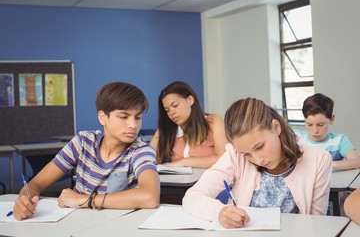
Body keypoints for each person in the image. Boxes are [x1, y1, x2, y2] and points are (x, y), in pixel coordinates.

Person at [13, 82, 160, 221]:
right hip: (78, 224)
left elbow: (150, 196)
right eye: (123, 116)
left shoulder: (141, 150)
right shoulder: (83, 142)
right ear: (102, 117)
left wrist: (85, 199)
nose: (133, 125)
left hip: (117, 228)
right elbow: (36, 184)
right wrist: (23, 201)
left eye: (138, 117)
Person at [183, 97, 332, 229]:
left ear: (276, 127)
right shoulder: (235, 155)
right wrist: (219, 212)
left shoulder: (319, 160)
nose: (257, 159)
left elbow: (316, 224)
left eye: (260, 147)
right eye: (247, 154)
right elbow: (192, 196)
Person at [150, 81, 227, 168]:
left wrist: (183, 162)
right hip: (177, 181)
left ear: (190, 100)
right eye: (167, 110)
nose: (171, 112)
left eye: (175, 105)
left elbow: (223, 159)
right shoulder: (169, 130)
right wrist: (162, 128)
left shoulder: (214, 121)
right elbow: (148, 160)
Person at [294, 93, 360, 171]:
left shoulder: (339, 141)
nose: (315, 131)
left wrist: (328, 164)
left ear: (331, 119)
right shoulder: (296, 137)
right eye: (309, 124)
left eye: (320, 125)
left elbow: (357, 161)